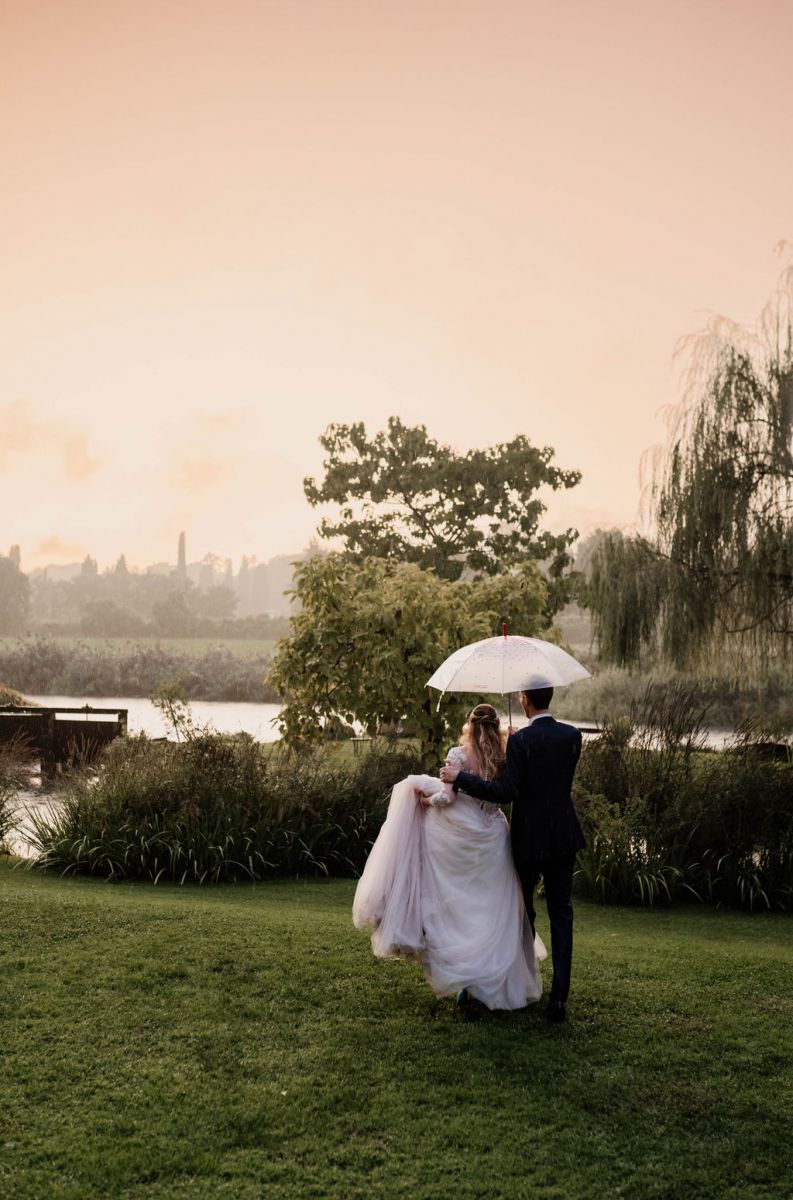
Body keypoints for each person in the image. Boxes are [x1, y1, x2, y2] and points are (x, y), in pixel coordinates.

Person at [353, 704, 544, 1011]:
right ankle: (486, 985)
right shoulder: (504, 756)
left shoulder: (458, 755)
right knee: (489, 911)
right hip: (493, 837)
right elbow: (505, 791)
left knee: (459, 912)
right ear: (495, 727)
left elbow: (446, 798)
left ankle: (466, 982)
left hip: (460, 838)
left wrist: (426, 800)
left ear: (469, 725)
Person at [441, 686, 583, 1024]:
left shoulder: (521, 743)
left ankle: (521, 978)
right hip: (563, 835)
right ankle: (559, 997)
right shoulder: (572, 736)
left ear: (525, 700)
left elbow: (506, 792)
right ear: (548, 698)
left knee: (523, 913)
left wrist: (461, 779)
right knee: (562, 913)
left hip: (529, 839)